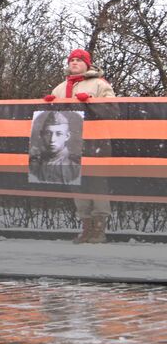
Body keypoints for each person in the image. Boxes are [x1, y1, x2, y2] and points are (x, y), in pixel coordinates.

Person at [44, 48, 115, 243]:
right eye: (71, 60)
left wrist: (91, 103)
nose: (74, 63)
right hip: (72, 143)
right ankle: (86, 228)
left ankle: (99, 229)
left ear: (87, 63)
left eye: (78, 60)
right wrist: (49, 106)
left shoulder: (100, 84)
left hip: (96, 141)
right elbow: (54, 120)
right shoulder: (59, 88)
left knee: (98, 183)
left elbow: (113, 110)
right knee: (78, 185)